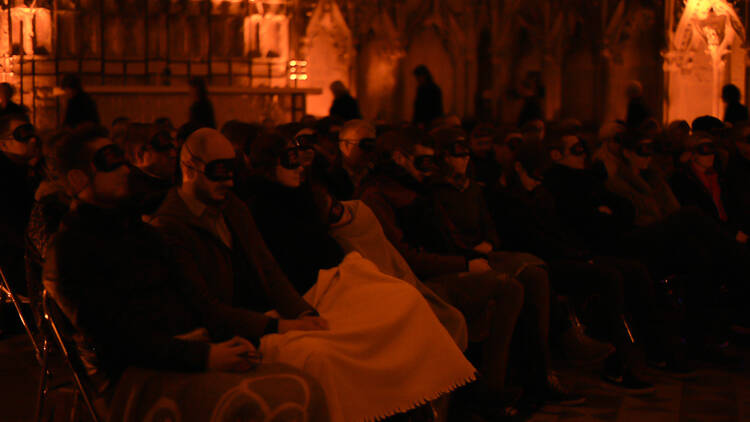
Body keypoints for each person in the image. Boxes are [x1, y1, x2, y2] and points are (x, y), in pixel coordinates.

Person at [155, 129, 476, 422]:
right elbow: (207, 305)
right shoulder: (172, 225)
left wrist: (302, 312)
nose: (228, 181)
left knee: (392, 310)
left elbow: (267, 267)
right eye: (217, 173)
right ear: (190, 169)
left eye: (232, 171)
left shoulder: (231, 207)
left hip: (271, 310)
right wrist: (281, 324)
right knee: (324, 357)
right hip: (234, 327)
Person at [42, 125, 330, 421]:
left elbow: (198, 299)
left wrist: (217, 343)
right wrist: (204, 355)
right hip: (131, 379)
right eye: (108, 162)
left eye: (121, 159)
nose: (124, 169)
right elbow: (117, 342)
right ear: (78, 179)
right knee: (282, 399)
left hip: (183, 351)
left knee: (309, 383)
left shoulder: (138, 231)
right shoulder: (69, 253)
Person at [358, 128, 585, 415]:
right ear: (401, 158)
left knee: (532, 272)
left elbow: (448, 234)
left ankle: (535, 376)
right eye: (424, 162)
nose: (430, 170)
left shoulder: (416, 188)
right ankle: (491, 391)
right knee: (509, 287)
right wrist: (464, 264)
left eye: (432, 163)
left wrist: (472, 255)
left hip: (448, 260)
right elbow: (407, 258)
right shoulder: (379, 195)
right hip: (418, 279)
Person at [0, 114, 41, 298]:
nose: (32, 139)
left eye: (32, 133)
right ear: (4, 144)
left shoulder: (30, 172)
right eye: (22, 135)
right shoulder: (6, 178)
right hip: (17, 263)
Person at [122, 123, 177, 216]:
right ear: (140, 155)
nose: (173, 154)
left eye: (173, 147)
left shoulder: (172, 180)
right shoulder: (140, 197)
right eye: (163, 149)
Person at [316, 119, 376, 200]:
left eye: (372, 146)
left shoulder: (378, 175)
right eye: (364, 145)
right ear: (345, 145)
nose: (369, 151)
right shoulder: (327, 179)